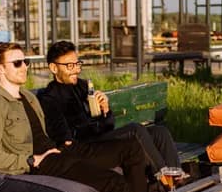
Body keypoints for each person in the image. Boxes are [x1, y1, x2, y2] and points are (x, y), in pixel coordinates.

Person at [0, 42, 163, 192]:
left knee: (130, 147)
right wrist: (32, 160)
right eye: (18, 63)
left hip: (59, 150)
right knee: (112, 181)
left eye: (26, 61)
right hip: (43, 163)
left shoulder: (29, 97)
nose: (25, 67)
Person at [38, 41, 180, 174]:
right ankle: (165, 179)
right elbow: (66, 138)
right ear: (53, 68)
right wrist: (94, 126)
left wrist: (105, 110)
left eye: (78, 64)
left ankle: (177, 177)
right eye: (70, 66)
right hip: (85, 146)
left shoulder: (83, 86)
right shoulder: (49, 98)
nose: (76, 70)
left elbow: (109, 125)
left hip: (99, 137)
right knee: (135, 130)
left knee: (159, 132)